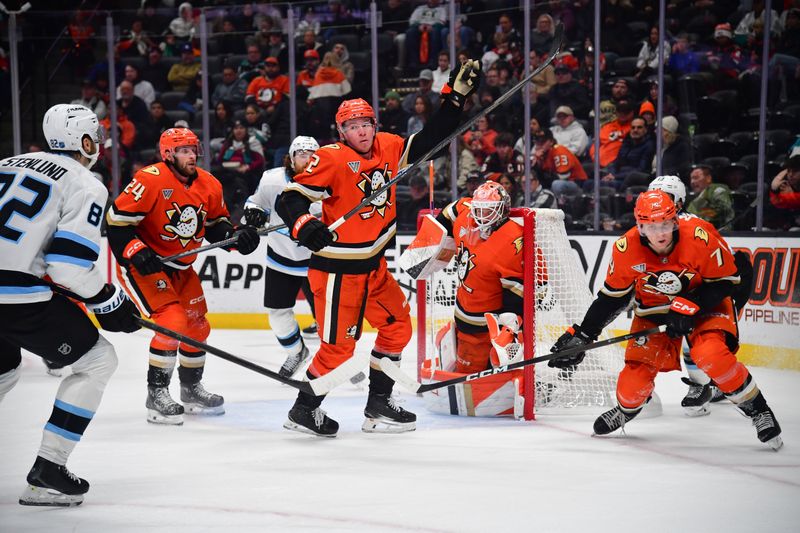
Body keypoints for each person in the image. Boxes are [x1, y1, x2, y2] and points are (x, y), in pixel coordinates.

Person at [276, 59, 481, 437]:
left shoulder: (389, 147)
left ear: (375, 126)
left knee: (398, 327)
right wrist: (305, 224)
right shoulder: (331, 157)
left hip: (373, 267)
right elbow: (290, 199)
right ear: (342, 131)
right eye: (352, 126)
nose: (361, 131)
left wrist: (454, 101)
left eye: (366, 124)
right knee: (337, 350)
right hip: (337, 273)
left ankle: (378, 403)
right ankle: (303, 409)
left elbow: (432, 141)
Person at [548, 190, 782, 450]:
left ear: (675, 221)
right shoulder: (626, 248)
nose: (660, 233)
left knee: (711, 356)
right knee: (631, 387)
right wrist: (582, 334)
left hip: (705, 306)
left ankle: (759, 410)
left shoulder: (699, 235)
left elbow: (728, 282)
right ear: (640, 227)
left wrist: (690, 304)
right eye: (651, 226)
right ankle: (627, 409)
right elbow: (612, 298)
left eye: (665, 224)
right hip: (655, 311)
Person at [1, 104, 141, 506]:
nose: (98, 142)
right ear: (83, 140)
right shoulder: (85, 182)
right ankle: (48, 471)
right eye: (95, 134)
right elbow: (68, 268)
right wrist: (107, 300)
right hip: (15, 298)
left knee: (6, 369)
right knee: (98, 360)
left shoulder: (6, 162)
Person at [106, 128, 260, 425]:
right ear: (168, 154)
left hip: (182, 267)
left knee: (198, 326)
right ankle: (157, 394)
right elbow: (116, 223)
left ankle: (190, 389)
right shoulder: (149, 179)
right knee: (171, 321)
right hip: (146, 266)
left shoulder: (209, 184)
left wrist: (234, 237)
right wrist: (137, 249)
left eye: (193, 149)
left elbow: (215, 225)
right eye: (184, 150)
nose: (192, 155)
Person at [243, 136, 321, 377]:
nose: (307, 160)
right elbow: (255, 204)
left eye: (312, 155)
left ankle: (334, 359)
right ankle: (297, 352)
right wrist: (253, 215)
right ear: (291, 158)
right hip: (281, 257)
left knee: (327, 317)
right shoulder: (272, 180)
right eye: (301, 155)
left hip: (317, 259)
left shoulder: (330, 181)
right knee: (277, 314)